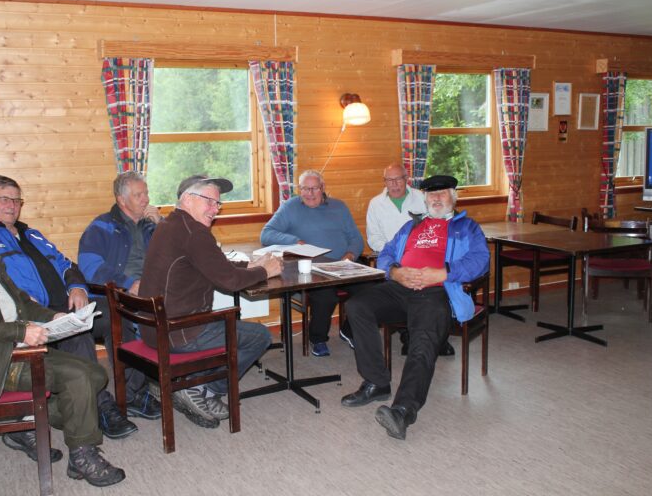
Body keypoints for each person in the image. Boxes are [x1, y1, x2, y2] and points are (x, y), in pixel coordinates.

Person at [0, 201, 126, 487]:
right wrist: (19, 331)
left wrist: (55, 316)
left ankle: (25, 419)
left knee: (96, 374)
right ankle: (82, 454)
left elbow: (23, 305)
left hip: (20, 349)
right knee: (78, 378)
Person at [0, 175, 148, 440]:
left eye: (16, 200)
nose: (11, 205)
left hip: (67, 301)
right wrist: (21, 301)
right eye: (4, 199)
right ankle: (100, 405)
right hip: (34, 316)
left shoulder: (32, 234)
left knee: (118, 311)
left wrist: (78, 287)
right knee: (78, 332)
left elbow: (67, 264)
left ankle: (134, 393)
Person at [341, 175, 489, 441]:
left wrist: (443, 273)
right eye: (431, 195)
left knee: (422, 339)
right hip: (401, 287)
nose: (435, 199)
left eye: (442, 194)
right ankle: (377, 382)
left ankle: (403, 410)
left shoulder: (466, 227)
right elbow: (386, 254)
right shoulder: (412, 226)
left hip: (437, 291)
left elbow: (481, 261)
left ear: (453, 197)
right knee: (357, 306)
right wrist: (395, 273)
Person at [139, 175, 281, 429]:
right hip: (179, 330)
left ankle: (196, 386)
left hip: (154, 327)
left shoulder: (171, 224)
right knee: (260, 335)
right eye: (210, 202)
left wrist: (249, 264)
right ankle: (201, 387)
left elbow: (212, 264)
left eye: (218, 204)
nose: (215, 209)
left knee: (235, 326)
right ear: (188, 199)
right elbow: (230, 282)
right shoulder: (194, 233)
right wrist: (265, 272)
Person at [78, 171, 163, 415]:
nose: (146, 199)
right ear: (121, 200)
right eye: (139, 195)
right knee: (124, 322)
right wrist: (127, 283)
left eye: (146, 193)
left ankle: (183, 382)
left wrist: (162, 225)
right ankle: (134, 394)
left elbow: (180, 251)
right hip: (118, 295)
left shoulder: (152, 224)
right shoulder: (101, 227)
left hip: (154, 290)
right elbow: (89, 267)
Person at [260, 169, 366, 357]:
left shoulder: (339, 207)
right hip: (312, 270)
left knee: (371, 288)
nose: (309, 194)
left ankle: (348, 331)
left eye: (314, 189)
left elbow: (356, 237)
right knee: (326, 295)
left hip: (343, 265)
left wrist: (350, 255)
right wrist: (293, 240)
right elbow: (266, 234)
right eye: (304, 189)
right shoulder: (291, 207)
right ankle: (317, 338)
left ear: (323, 188)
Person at [365, 163, 455, 358]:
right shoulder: (375, 203)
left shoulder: (422, 197)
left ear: (407, 179)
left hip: (425, 256)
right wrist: (399, 260)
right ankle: (411, 334)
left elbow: (437, 222)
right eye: (389, 180)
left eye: (398, 179)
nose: (394, 184)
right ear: (384, 182)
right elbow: (374, 239)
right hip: (395, 260)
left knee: (435, 285)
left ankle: (432, 334)